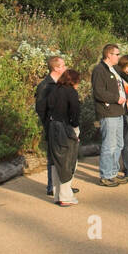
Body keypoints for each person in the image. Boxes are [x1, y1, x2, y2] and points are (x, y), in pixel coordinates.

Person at [91, 44, 127, 186]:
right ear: (108, 55)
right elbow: (98, 92)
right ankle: (106, 175)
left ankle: (113, 172)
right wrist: (115, 98)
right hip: (108, 112)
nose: (119, 57)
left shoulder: (115, 69)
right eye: (116, 54)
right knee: (109, 144)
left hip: (119, 111)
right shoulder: (99, 70)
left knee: (119, 143)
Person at [46, 69, 83, 206]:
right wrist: (75, 129)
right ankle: (65, 196)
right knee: (68, 161)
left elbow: (47, 108)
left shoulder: (54, 90)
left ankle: (57, 195)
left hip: (53, 126)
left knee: (56, 161)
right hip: (65, 128)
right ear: (74, 80)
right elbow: (75, 112)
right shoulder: (71, 92)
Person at [33, 54, 65, 196]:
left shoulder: (61, 84)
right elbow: (40, 108)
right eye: (63, 65)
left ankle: (63, 185)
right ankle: (52, 186)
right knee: (53, 156)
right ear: (56, 68)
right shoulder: (45, 86)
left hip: (63, 126)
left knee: (63, 156)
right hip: (52, 126)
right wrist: (50, 122)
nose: (65, 68)